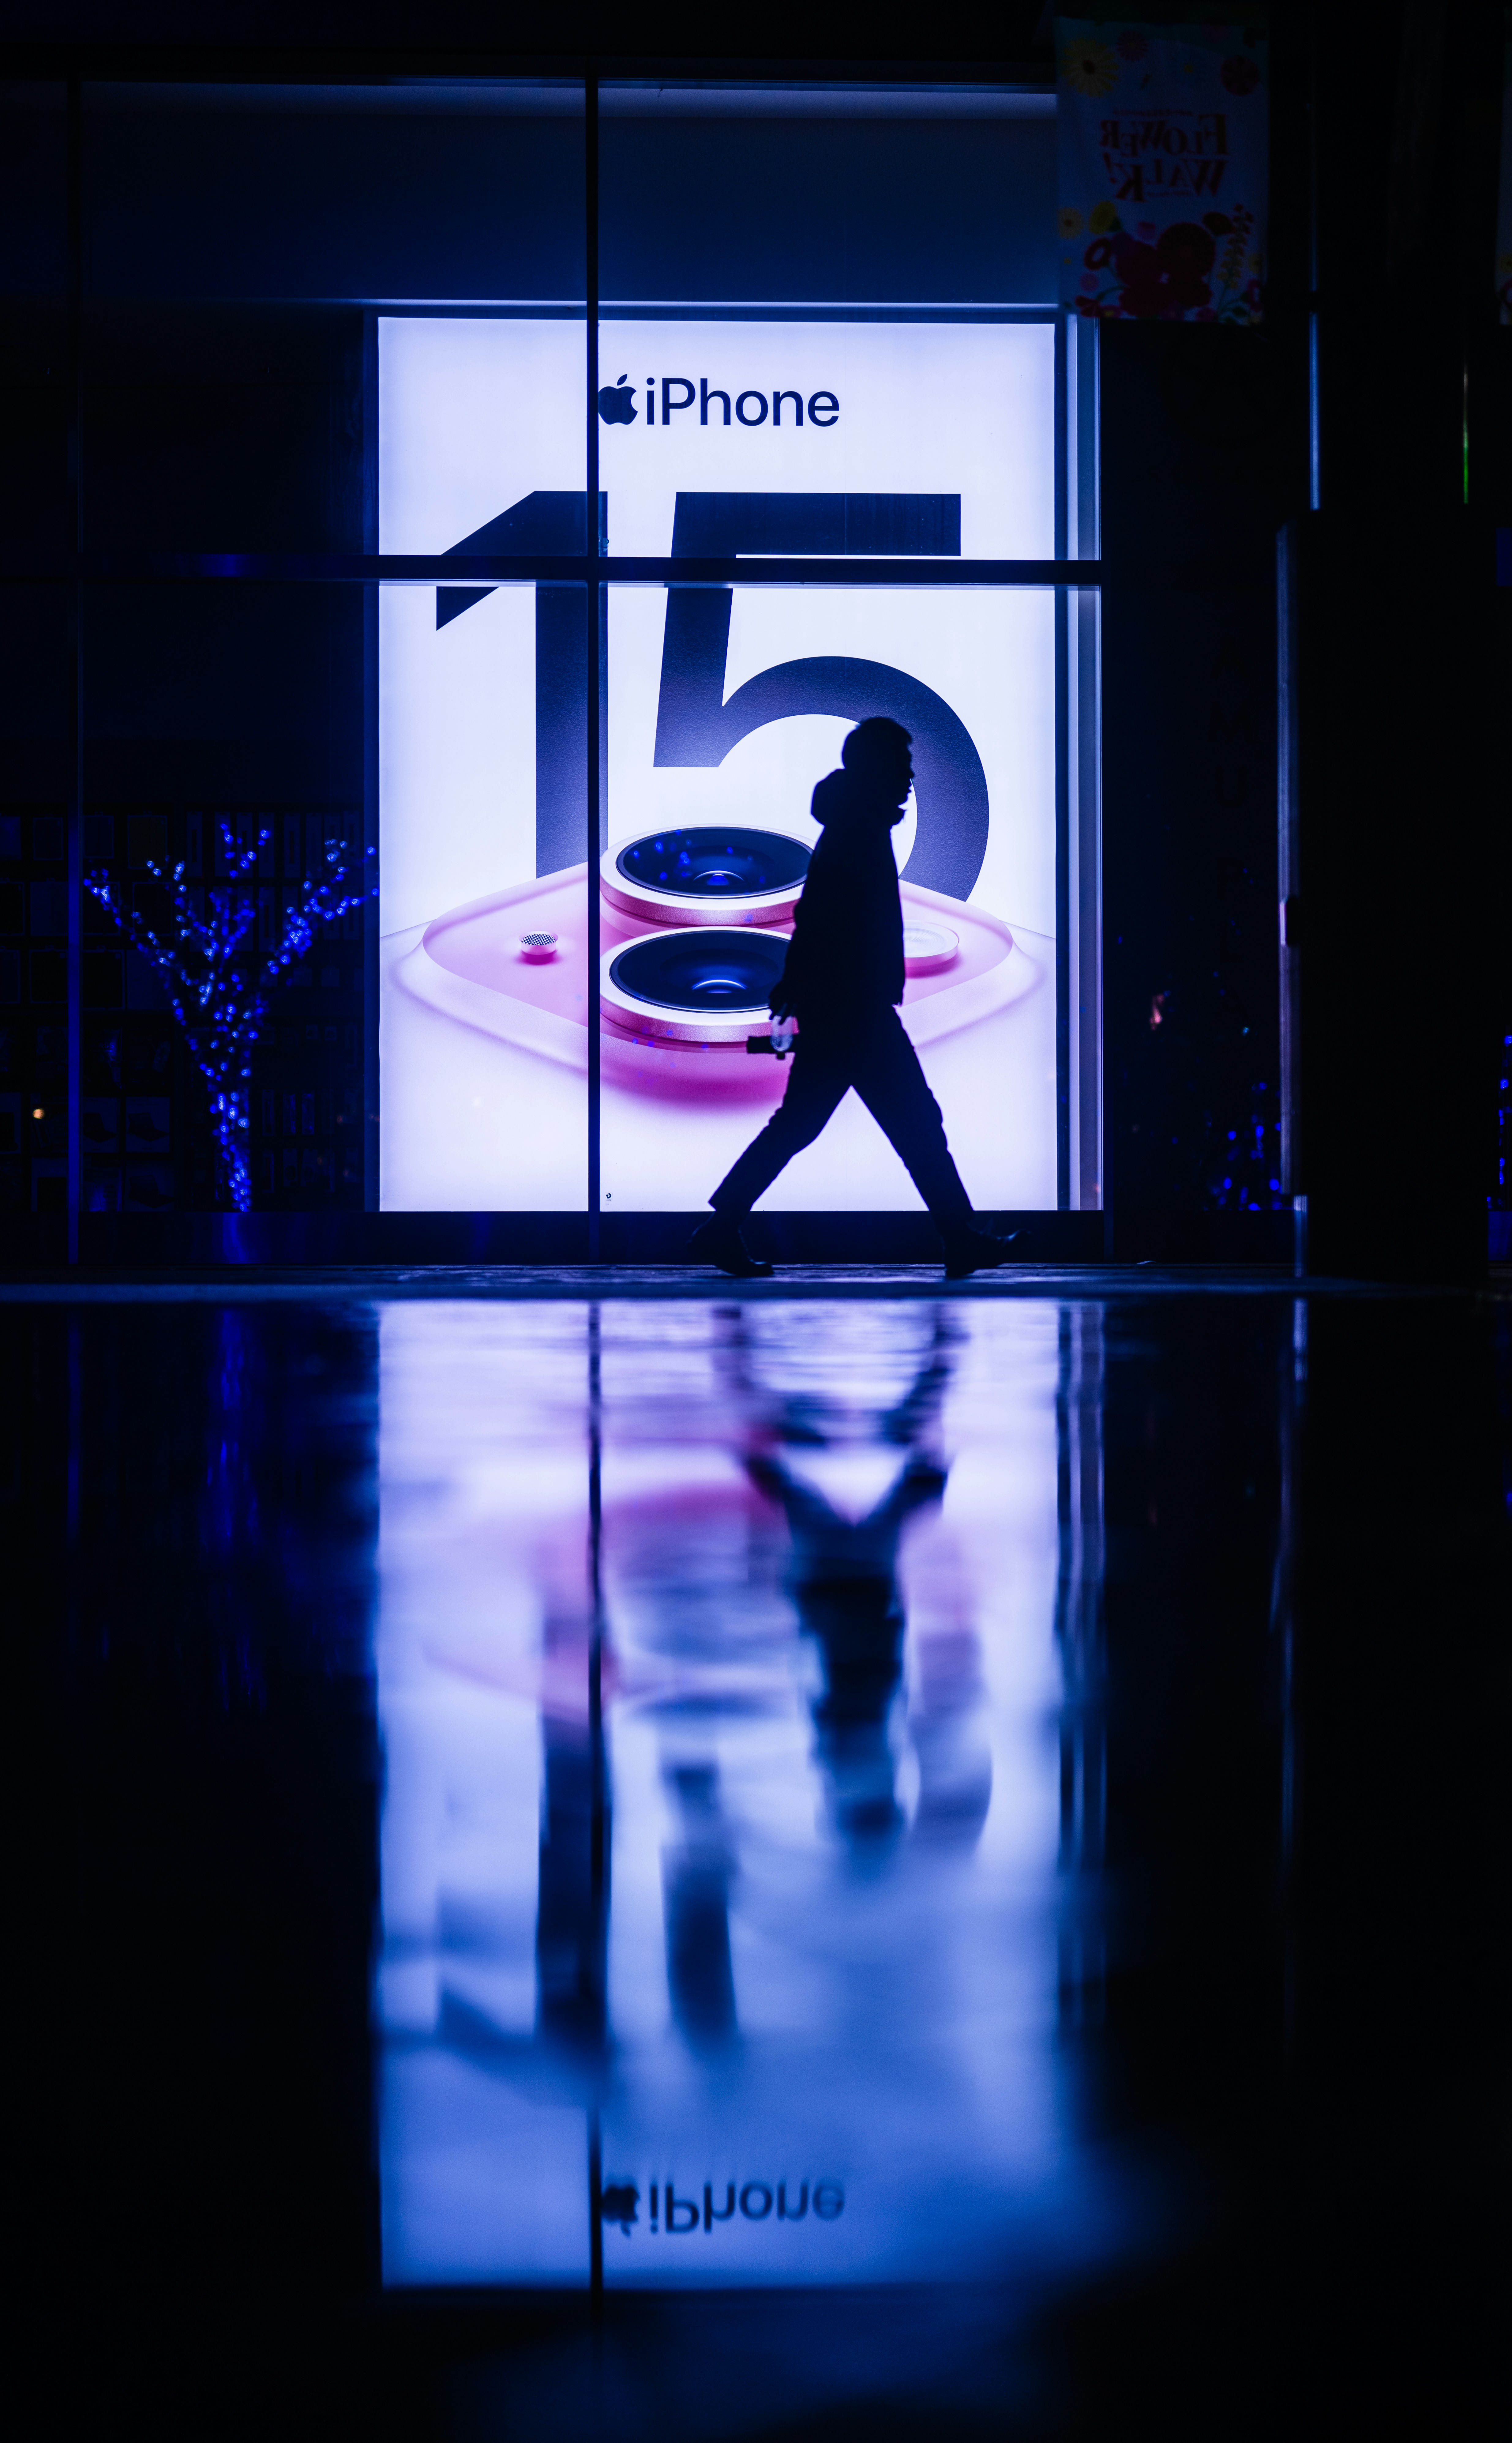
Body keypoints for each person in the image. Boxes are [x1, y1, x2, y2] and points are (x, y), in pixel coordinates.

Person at [688, 718, 1015, 1279]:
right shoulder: (857, 830)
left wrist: (796, 987)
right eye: (901, 763)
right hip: (855, 1008)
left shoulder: (853, 824)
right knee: (909, 1120)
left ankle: (721, 1226)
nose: (910, 776)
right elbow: (820, 917)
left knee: (808, 1124)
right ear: (877, 768)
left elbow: (813, 915)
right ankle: (960, 1237)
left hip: (843, 1005)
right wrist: (802, 985)